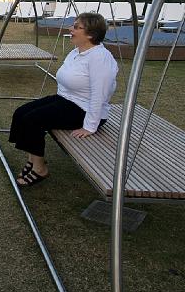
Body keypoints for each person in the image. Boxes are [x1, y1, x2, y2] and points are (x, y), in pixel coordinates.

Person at [9, 12, 118, 187]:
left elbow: (100, 95)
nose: (71, 29)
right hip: (66, 100)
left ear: (90, 34)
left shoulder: (100, 58)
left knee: (33, 120)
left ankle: (39, 169)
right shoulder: (77, 52)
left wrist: (90, 126)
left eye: (76, 27)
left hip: (84, 110)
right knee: (21, 112)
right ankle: (33, 157)